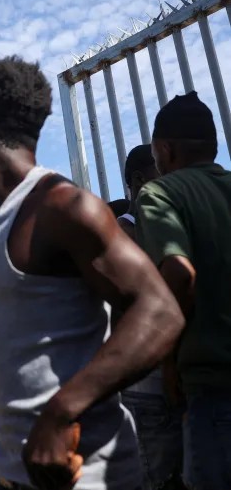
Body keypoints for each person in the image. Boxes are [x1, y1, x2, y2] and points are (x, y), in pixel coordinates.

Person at [0, 55, 184, 490]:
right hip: (7, 471)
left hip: (84, 475)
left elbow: (161, 313)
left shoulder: (61, 207)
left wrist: (61, 412)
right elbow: (22, 340)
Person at [136, 91, 231, 490]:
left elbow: (178, 275)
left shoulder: (161, 193)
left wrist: (169, 361)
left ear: (165, 149)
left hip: (212, 387)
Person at [116, 144, 185, 490]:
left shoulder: (163, 225)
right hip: (149, 383)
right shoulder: (124, 233)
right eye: (162, 174)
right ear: (140, 180)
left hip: (176, 375)